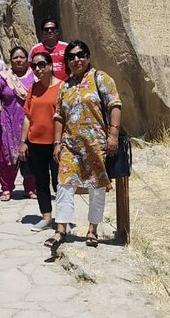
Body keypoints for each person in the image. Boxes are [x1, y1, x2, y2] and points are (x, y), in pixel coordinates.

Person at [48, 40, 122, 249]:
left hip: (96, 145)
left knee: (96, 188)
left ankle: (92, 230)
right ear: (67, 62)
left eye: (81, 54)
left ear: (88, 57)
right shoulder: (65, 86)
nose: (76, 59)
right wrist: (56, 143)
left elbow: (115, 105)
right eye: (71, 56)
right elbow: (59, 116)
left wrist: (113, 136)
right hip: (70, 146)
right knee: (64, 185)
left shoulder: (101, 79)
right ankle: (60, 229)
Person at [19, 52, 63, 232]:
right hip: (35, 143)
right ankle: (46, 217)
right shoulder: (33, 88)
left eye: (42, 64)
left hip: (56, 143)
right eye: (34, 66)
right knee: (41, 181)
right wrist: (23, 141)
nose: (38, 69)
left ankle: (62, 221)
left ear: (51, 66)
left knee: (59, 183)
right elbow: (28, 117)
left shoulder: (62, 87)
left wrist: (60, 142)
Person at [0, 46, 37, 201]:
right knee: (5, 157)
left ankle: (31, 188)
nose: (18, 60)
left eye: (22, 57)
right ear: (10, 60)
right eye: (15, 57)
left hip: (29, 122)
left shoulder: (35, 76)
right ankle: (6, 188)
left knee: (31, 155)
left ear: (27, 60)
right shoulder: (3, 77)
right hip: (7, 122)